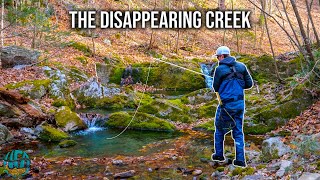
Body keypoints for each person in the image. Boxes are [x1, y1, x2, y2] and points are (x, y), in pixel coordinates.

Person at [211, 46, 253, 167]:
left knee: (219, 129)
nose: (218, 59)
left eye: (218, 56)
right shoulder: (241, 66)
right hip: (240, 104)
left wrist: (227, 85)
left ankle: (219, 155)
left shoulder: (220, 69)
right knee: (238, 131)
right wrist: (237, 85)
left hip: (226, 106)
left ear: (223, 56)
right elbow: (249, 84)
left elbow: (215, 88)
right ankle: (240, 160)